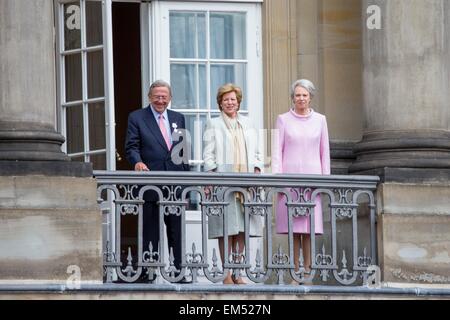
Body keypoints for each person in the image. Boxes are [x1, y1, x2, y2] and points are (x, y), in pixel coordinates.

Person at [125, 80, 190, 283]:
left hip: (174, 183)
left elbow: (183, 152)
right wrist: (137, 162)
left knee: (176, 230)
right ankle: (147, 272)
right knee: (150, 229)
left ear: (170, 98)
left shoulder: (178, 118)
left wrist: (186, 185)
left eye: (164, 96)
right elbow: (131, 146)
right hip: (149, 182)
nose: (160, 100)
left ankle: (178, 272)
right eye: (157, 96)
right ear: (149, 97)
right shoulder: (137, 117)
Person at [203, 83, 264, 284]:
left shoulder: (248, 123)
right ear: (220, 103)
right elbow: (208, 154)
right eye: (226, 99)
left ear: (238, 102)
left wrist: (256, 170)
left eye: (233, 99)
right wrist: (212, 177)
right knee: (225, 229)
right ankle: (226, 274)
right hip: (224, 184)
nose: (230, 103)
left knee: (242, 229)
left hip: (246, 185)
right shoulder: (213, 124)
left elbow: (256, 152)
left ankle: (238, 273)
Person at [272, 79, 330, 279]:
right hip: (289, 179)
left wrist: (325, 181)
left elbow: (325, 152)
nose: (301, 98)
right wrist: (279, 180)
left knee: (308, 227)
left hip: (312, 180)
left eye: (304, 95)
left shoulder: (321, 120)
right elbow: (277, 151)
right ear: (292, 97)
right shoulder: (282, 119)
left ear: (311, 97)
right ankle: (294, 269)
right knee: (293, 227)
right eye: (297, 95)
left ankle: (308, 269)